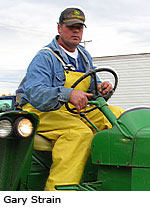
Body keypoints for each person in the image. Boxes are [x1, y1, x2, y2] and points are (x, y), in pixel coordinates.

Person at [18, 7, 124, 191]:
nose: (76, 31)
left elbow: (91, 88)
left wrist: (101, 88)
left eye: (80, 27)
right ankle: (58, 192)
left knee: (120, 118)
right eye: (71, 26)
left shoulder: (84, 56)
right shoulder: (45, 57)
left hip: (74, 111)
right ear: (59, 28)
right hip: (40, 110)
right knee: (78, 132)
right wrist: (68, 94)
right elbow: (35, 93)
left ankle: (115, 177)